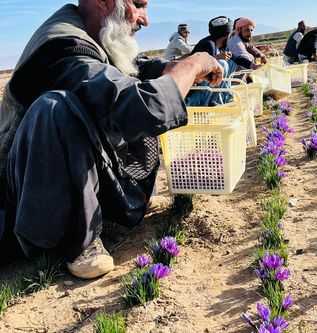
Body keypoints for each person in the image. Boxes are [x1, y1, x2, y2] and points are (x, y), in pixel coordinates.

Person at [0, 0, 223, 279]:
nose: (145, 20)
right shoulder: (61, 48)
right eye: (138, 5)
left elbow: (124, 69)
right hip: (19, 199)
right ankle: (78, 242)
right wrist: (191, 65)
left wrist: (168, 68)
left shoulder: (89, 32)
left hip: (59, 180)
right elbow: (144, 108)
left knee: (130, 84)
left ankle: (129, 199)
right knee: (55, 107)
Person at [187, 16, 238, 106]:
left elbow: (235, 57)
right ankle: (204, 104)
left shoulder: (218, 45)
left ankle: (218, 100)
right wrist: (216, 58)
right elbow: (198, 69)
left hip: (205, 86)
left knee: (231, 62)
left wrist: (251, 65)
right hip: (195, 89)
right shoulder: (208, 44)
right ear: (227, 34)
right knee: (222, 64)